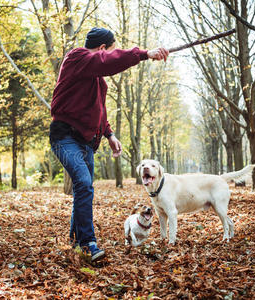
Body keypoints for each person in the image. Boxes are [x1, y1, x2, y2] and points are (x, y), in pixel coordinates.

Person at [49, 27, 169, 262]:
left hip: (85, 142)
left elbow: (100, 111)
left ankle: (75, 241)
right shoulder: (76, 57)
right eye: (112, 48)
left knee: (83, 189)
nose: (112, 53)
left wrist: (110, 135)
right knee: (84, 183)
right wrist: (144, 54)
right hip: (64, 137)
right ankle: (87, 244)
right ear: (103, 48)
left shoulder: (96, 80)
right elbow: (106, 60)